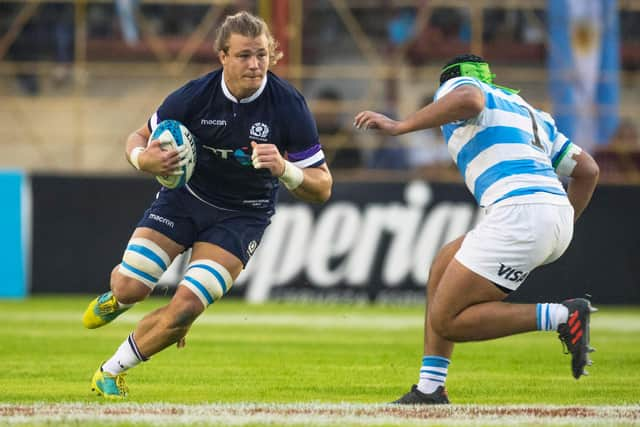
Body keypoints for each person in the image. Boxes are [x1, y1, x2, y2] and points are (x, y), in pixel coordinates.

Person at [82, 11, 333, 399]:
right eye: (245, 55)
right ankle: (118, 298)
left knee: (184, 308)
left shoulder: (288, 105)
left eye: (262, 55)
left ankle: (110, 372)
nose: (255, 65)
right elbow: (138, 136)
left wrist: (285, 169)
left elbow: (322, 187)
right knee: (131, 286)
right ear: (222, 56)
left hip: (242, 215)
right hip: (185, 200)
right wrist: (142, 159)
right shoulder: (193, 96)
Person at [354, 54, 599, 404]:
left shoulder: (461, 87)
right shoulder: (526, 109)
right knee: (442, 265)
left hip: (521, 211)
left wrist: (399, 126)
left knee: (447, 321)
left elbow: (468, 99)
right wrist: (561, 224)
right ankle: (430, 388)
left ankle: (562, 316)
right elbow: (588, 170)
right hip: (549, 211)